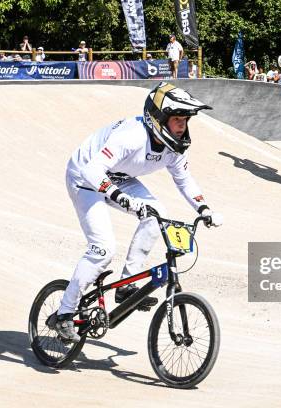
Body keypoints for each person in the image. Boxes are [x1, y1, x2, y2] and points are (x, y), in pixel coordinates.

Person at [53, 82, 224, 341]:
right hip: (84, 177)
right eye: (177, 119)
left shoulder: (173, 146)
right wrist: (119, 197)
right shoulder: (131, 136)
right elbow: (92, 171)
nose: (183, 126)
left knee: (157, 214)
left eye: (186, 120)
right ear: (158, 119)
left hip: (118, 177)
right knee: (103, 249)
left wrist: (204, 207)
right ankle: (64, 314)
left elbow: (185, 180)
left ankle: (126, 284)